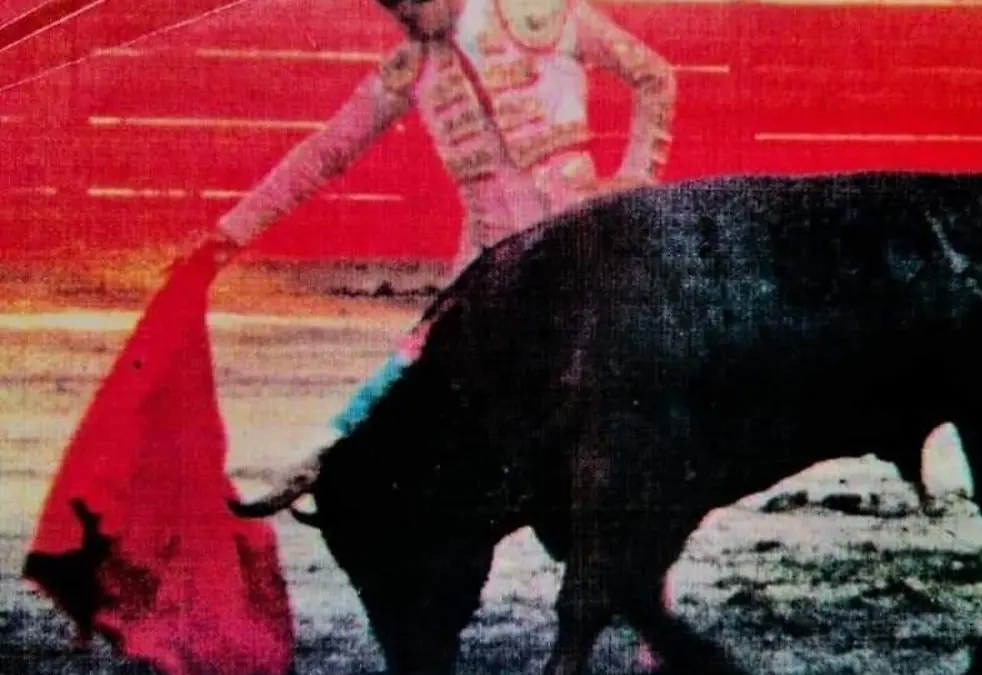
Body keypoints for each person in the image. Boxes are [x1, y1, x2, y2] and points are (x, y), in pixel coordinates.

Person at [186, 0, 676, 669]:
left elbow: (654, 76)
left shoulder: (539, 14)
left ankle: (654, 622)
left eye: (413, 3)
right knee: (413, 398)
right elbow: (327, 151)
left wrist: (637, 179)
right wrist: (228, 235)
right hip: (485, 276)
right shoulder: (412, 66)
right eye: (395, 8)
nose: (409, 17)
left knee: (615, 425)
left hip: (584, 259)